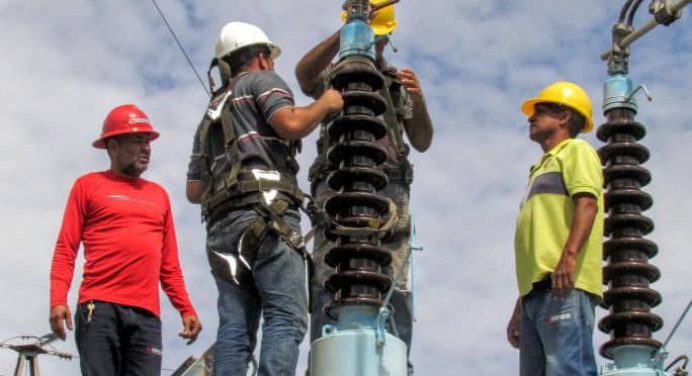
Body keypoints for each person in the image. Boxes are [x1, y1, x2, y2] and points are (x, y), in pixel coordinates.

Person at [185, 21, 343, 375]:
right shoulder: (262, 81)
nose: (272, 63)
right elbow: (290, 123)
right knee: (285, 315)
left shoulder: (210, 114)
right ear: (260, 57)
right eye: (270, 58)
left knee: (235, 327)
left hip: (222, 230)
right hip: (268, 216)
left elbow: (194, 191)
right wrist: (326, 104)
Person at [294, 0, 433, 371]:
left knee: (394, 277)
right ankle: (324, 357)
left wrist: (417, 101)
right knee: (330, 272)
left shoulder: (395, 83)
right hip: (337, 188)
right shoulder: (333, 76)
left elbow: (421, 139)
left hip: (388, 189)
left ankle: (396, 359)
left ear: (387, 37)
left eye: (379, 35)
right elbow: (304, 75)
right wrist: (346, 33)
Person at [49, 104, 202, 376]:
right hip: (100, 310)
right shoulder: (87, 186)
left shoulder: (159, 195)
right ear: (113, 146)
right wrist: (58, 299)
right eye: (137, 140)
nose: (146, 148)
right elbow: (66, 248)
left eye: (148, 142)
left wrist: (185, 307)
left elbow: (169, 265)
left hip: (146, 317)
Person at [506, 81, 604, 376]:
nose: (530, 118)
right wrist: (521, 304)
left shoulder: (576, 151)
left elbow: (587, 204)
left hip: (564, 286)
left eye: (540, 111)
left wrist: (569, 257)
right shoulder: (539, 169)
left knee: (567, 370)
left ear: (563, 116)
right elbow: (538, 242)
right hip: (537, 292)